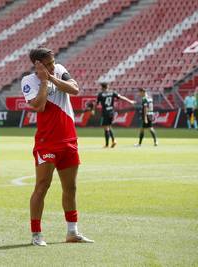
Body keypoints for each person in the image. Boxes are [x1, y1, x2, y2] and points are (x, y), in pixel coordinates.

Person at [21, 47, 94, 246]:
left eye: (53, 62)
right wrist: (44, 81)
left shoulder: (60, 70)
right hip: (47, 142)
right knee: (42, 186)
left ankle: (72, 232)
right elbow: (39, 105)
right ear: (37, 65)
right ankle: (36, 234)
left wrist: (51, 77)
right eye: (48, 63)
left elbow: (74, 89)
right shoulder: (28, 81)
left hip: (69, 139)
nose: (53, 66)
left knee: (70, 187)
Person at [95, 82, 135, 148]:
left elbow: (97, 103)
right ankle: (113, 141)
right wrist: (130, 101)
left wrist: (94, 108)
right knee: (109, 126)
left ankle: (107, 144)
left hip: (105, 112)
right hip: (111, 112)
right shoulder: (112, 92)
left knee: (106, 128)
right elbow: (121, 97)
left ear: (102, 87)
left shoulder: (100, 94)